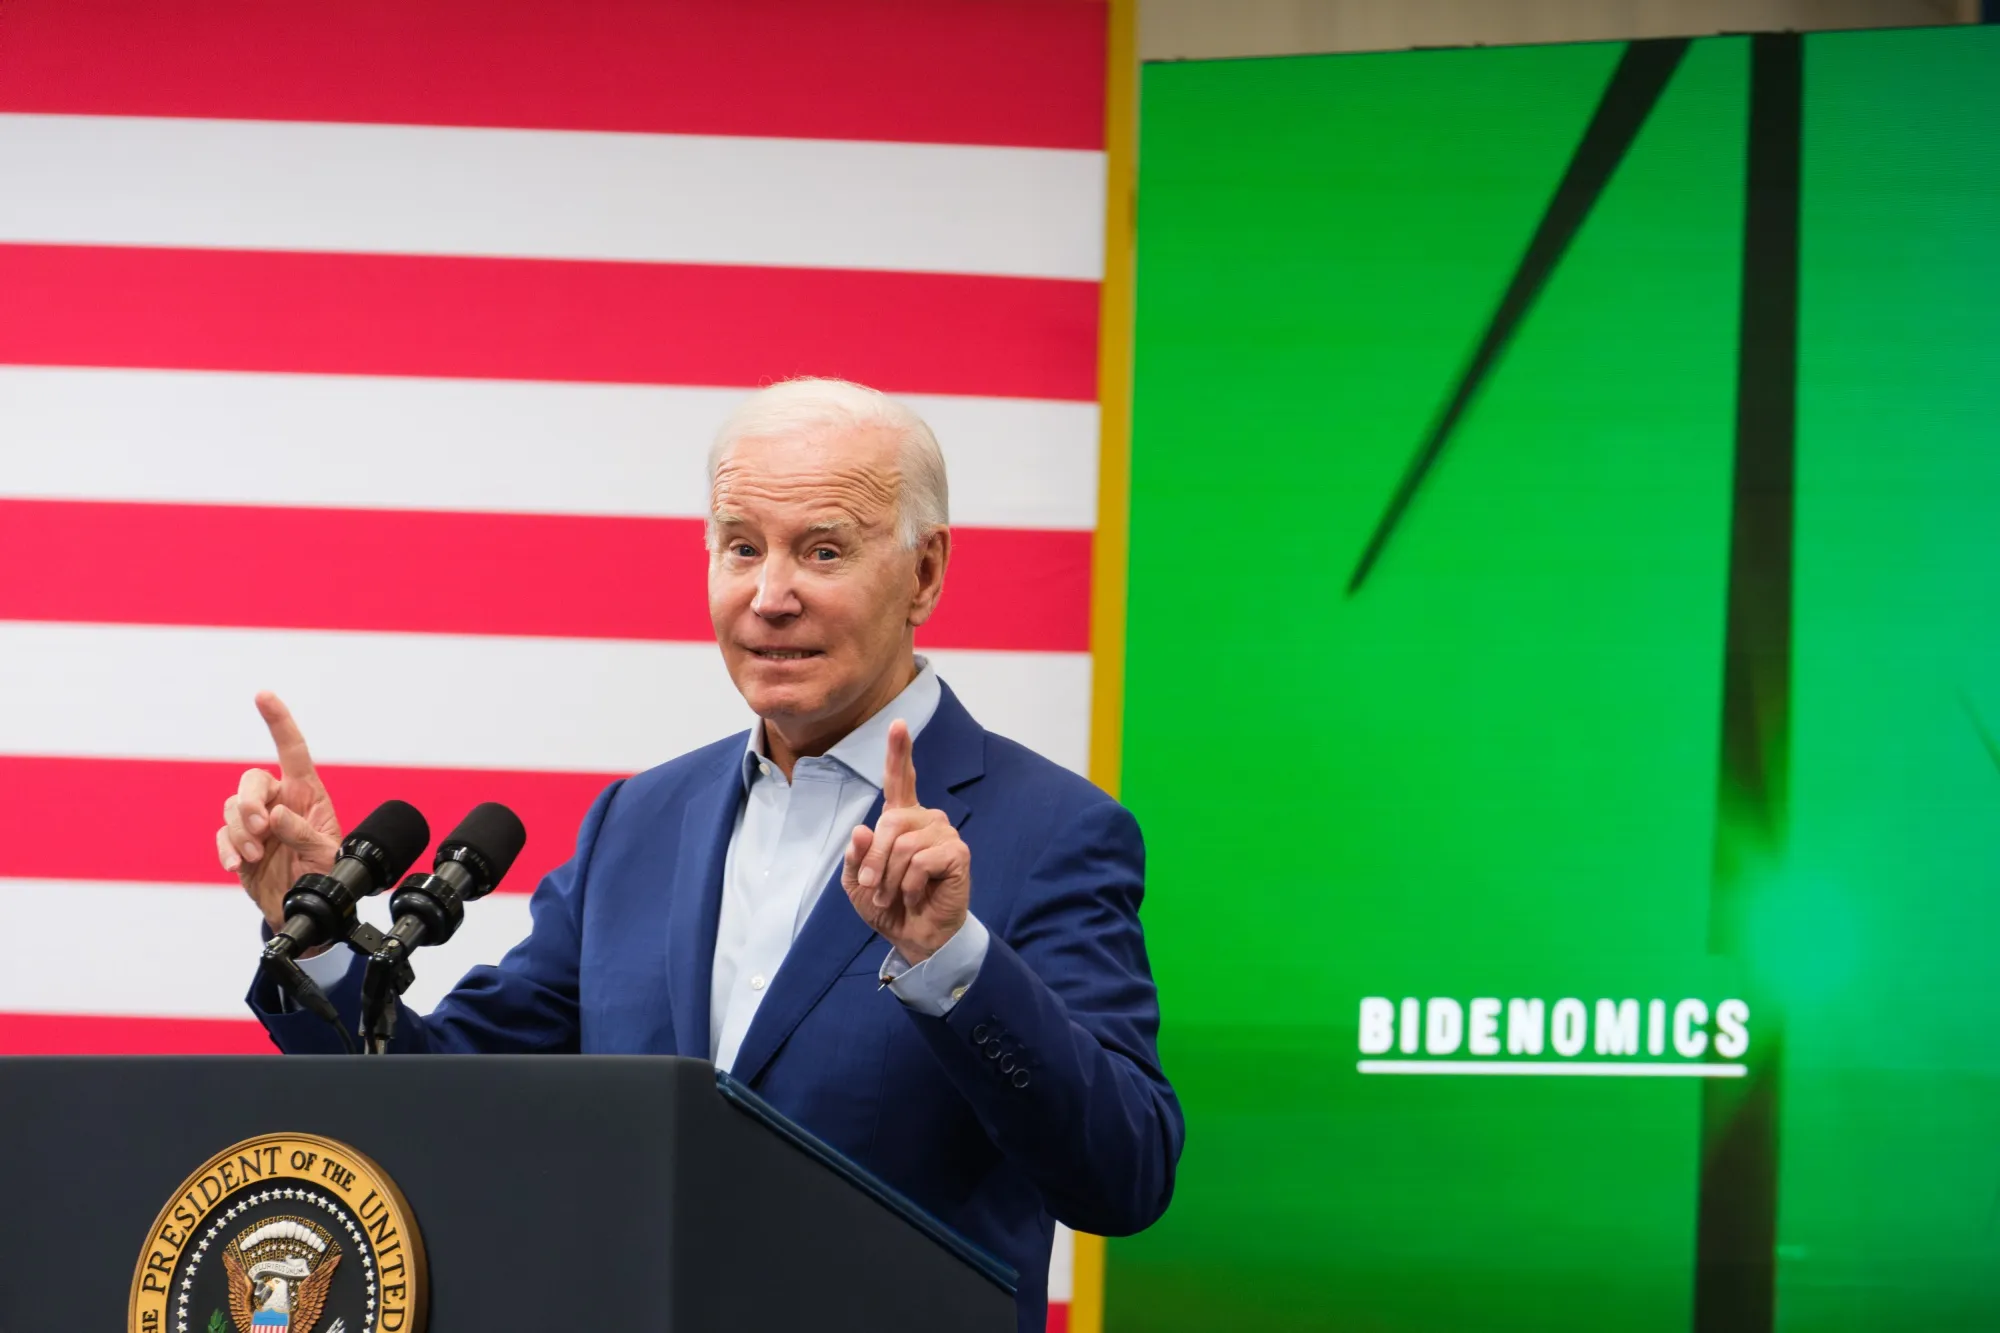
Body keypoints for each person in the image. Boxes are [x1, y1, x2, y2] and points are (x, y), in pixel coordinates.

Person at [217, 377, 1181, 1331]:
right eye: (741, 547)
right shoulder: (639, 820)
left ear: (924, 573)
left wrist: (953, 962)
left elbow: (1125, 1172)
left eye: (824, 550)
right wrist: (318, 931)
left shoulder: (1052, 831)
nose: (770, 596)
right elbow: (442, 1099)